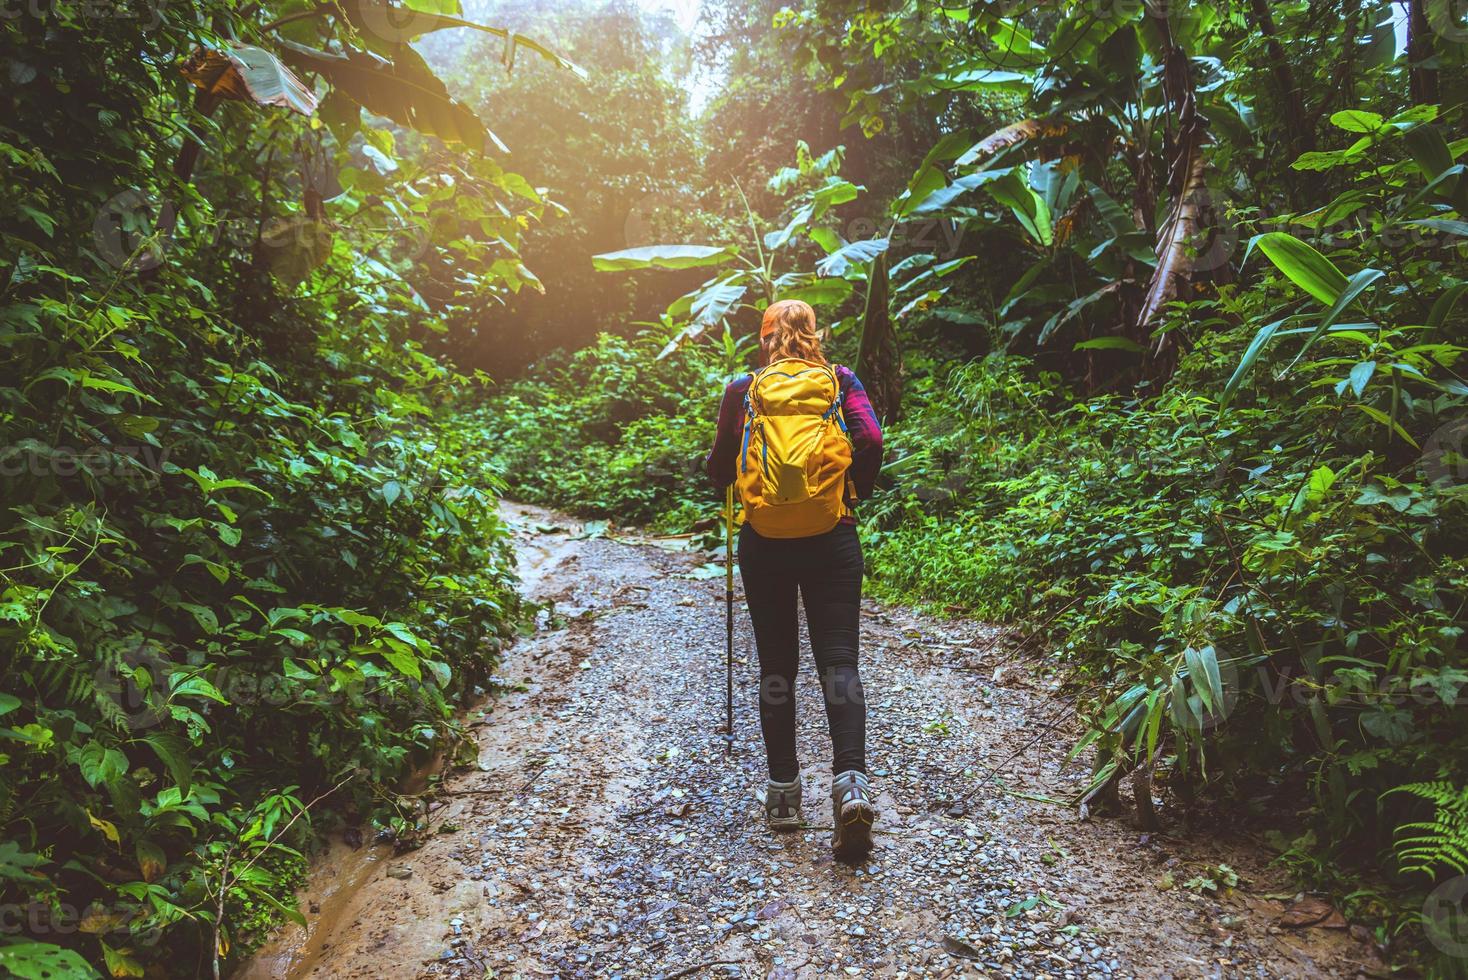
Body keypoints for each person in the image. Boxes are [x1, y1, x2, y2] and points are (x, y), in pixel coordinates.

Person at [704, 298, 884, 861]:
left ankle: (784, 793)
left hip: (766, 544)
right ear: (814, 333)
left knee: (777, 665)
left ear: (765, 339)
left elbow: (718, 465)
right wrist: (852, 491)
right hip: (833, 535)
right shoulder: (840, 379)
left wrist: (745, 490)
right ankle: (850, 783)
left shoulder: (745, 387)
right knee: (839, 661)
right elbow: (872, 441)